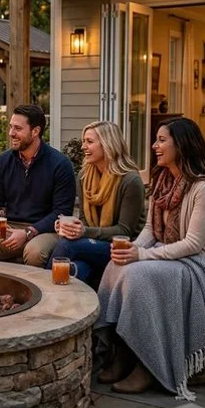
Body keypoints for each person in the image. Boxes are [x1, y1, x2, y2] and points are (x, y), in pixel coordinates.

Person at [96, 117, 205, 400]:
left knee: (139, 275)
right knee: (115, 266)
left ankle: (149, 364)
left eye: (161, 140)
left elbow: (193, 244)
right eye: (156, 140)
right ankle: (122, 351)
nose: (155, 146)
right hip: (170, 253)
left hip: (201, 265)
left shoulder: (204, 187)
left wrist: (142, 256)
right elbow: (149, 230)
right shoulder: (162, 180)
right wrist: (131, 250)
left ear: (181, 144)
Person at [0, 104, 75, 267]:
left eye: (17, 128)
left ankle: (31, 291)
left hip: (44, 230)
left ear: (35, 131)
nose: (11, 133)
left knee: (34, 252)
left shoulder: (60, 164)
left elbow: (62, 212)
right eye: (10, 127)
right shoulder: (3, 161)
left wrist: (28, 232)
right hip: (9, 226)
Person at [45, 121, 146, 287]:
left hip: (122, 249)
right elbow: (84, 220)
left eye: (89, 142)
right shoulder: (85, 177)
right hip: (95, 245)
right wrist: (70, 227)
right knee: (77, 269)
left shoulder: (130, 180)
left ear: (108, 145)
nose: (83, 146)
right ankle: (73, 310)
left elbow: (124, 231)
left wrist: (84, 231)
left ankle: (44, 292)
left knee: (67, 245)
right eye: (84, 141)